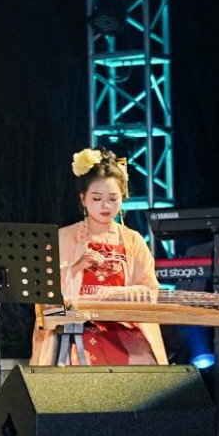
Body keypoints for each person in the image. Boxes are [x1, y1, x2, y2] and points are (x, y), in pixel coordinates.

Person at [30, 147, 165, 366]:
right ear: (83, 199)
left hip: (123, 327)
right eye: (97, 198)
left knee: (143, 362)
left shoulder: (133, 240)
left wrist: (115, 294)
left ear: (122, 198)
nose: (106, 205)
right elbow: (44, 292)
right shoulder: (63, 238)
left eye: (113, 198)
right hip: (75, 329)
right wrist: (76, 267)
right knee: (76, 359)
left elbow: (150, 290)